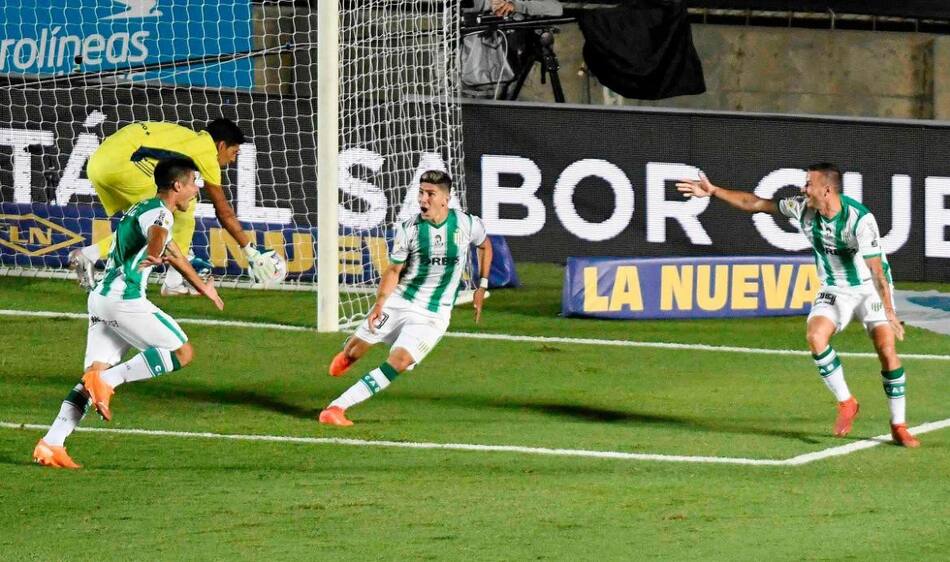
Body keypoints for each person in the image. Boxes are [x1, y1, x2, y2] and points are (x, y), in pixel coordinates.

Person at [676, 163, 919, 447]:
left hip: (868, 289)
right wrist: (714, 191)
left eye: (808, 184)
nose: (803, 189)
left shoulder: (859, 220)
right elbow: (755, 203)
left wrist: (889, 311)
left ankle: (898, 425)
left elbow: (877, 271)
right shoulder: (801, 207)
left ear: (826, 190)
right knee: (815, 336)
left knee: (886, 350)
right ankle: (847, 402)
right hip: (834, 287)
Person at [33, 158, 225, 469]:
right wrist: (154, 252)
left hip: (101, 300)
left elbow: (172, 252)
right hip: (125, 301)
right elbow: (159, 238)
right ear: (178, 186)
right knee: (182, 351)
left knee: (88, 378)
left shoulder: (145, 207)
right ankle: (109, 381)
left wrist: (204, 288)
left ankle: (52, 442)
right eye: (193, 184)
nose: (195, 190)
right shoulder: (160, 214)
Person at [318, 170, 493, 426]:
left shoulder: (467, 224)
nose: (423, 199)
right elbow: (394, 270)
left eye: (430, 194)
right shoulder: (409, 229)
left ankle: (336, 408)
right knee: (354, 352)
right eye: (421, 192)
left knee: (400, 361)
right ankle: (348, 354)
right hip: (400, 301)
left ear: (446, 198)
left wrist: (482, 285)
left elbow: (485, 245)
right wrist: (379, 304)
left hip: (434, 313)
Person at [68, 118, 278, 295]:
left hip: (97, 163)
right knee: (169, 211)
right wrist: (251, 252)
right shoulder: (206, 152)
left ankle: (172, 275)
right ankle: (172, 279)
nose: (233, 160)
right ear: (221, 145)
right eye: (234, 152)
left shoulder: (185, 138)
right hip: (122, 165)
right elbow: (223, 210)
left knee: (148, 222)